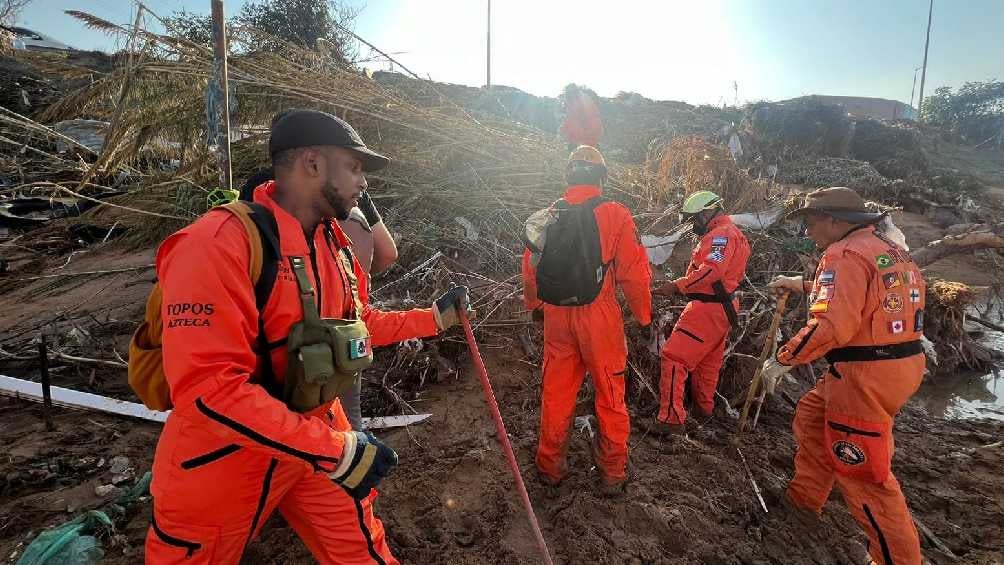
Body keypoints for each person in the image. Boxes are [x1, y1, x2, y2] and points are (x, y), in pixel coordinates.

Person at [146, 109, 469, 564]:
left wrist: (434, 320)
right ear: (312, 164)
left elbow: (357, 325)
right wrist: (337, 451)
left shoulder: (333, 244)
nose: (363, 183)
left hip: (317, 438)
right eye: (354, 167)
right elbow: (208, 390)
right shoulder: (217, 243)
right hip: (221, 462)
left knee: (363, 552)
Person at [767, 186, 925, 565]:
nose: (808, 233)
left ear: (834, 221)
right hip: (897, 366)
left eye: (810, 223)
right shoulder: (885, 249)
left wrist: (783, 359)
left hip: (864, 375)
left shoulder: (842, 255)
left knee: (863, 474)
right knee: (811, 414)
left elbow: (832, 325)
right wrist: (804, 285)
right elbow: (862, 297)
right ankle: (803, 502)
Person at [522, 145, 651, 495]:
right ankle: (612, 473)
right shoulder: (615, 213)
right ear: (601, 177)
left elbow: (530, 266)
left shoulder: (550, 214)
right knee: (610, 394)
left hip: (556, 317)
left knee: (556, 394)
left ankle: (550, 467)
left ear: (569, 175)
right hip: (600, 318)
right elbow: (634, 274)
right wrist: (643, 317)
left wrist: (535, 305)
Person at [240, 169, 399, 431]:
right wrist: (350, 282)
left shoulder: (260, 188)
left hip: (285, 341)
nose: (362, 180)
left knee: (287, 425)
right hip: (345, 331)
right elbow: (388, 252)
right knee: (347, 421)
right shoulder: (346, 193)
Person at [651, 191, 750, 435]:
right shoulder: (733, 233)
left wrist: (677, 286)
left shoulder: (721, 236)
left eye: (694, 218)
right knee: (708, 364)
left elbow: (711, 272)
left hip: (707, 308)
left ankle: (670, 420)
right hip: (723, 309)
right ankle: (703, 411)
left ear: (707, 213)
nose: (692, 224)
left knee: (674, 357)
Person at [558, 84, 603, 150]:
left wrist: (565, 132)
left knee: (585, 154)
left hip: (588, 134)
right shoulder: (578, 99)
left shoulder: (580, 101)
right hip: (589, 134)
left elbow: (572, 119)